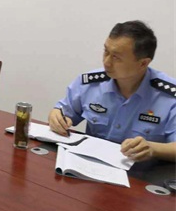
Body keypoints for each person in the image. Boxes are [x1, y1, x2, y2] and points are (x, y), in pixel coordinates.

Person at [48, 20, 176, 162]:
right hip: (91, 166)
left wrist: (153, 149)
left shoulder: (170, 96)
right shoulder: (90, 84)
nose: (106, 62)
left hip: (143, 172)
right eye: (106, 52)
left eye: (116, 57)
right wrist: (56, 118)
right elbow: (61, 112)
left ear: (143, 63)